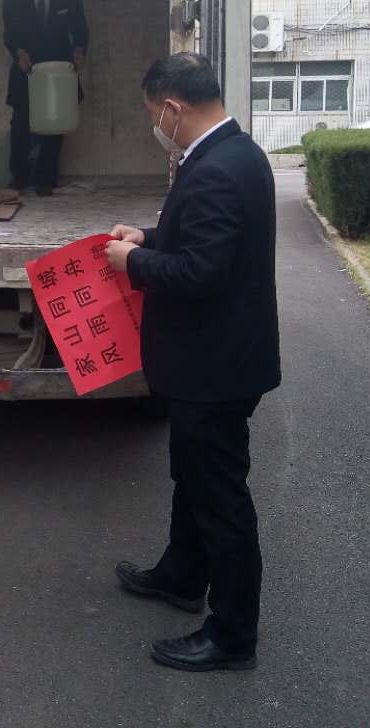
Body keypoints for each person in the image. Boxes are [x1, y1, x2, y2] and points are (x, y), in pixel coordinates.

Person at [103, 52, 281, 672]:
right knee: (192, 476)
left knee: (220, 499)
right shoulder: (235, 154)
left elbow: (201, 271)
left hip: (214, 367)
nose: (155, 125)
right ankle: (182, 574)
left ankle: (232, 635)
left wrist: (134, 263)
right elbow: (206, 242)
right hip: (216, 360)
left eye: (153, 113)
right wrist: (148, 238)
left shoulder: (215, 170)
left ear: (173, 108)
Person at [2, 0, 89, 195]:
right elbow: (9, 34)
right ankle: (19, 178)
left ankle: (46, 180)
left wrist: (80, 49)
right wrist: (18, 52)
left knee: (56, 122)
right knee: (21, 123)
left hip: (59, 70)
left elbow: (80, 27)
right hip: (26, 69)